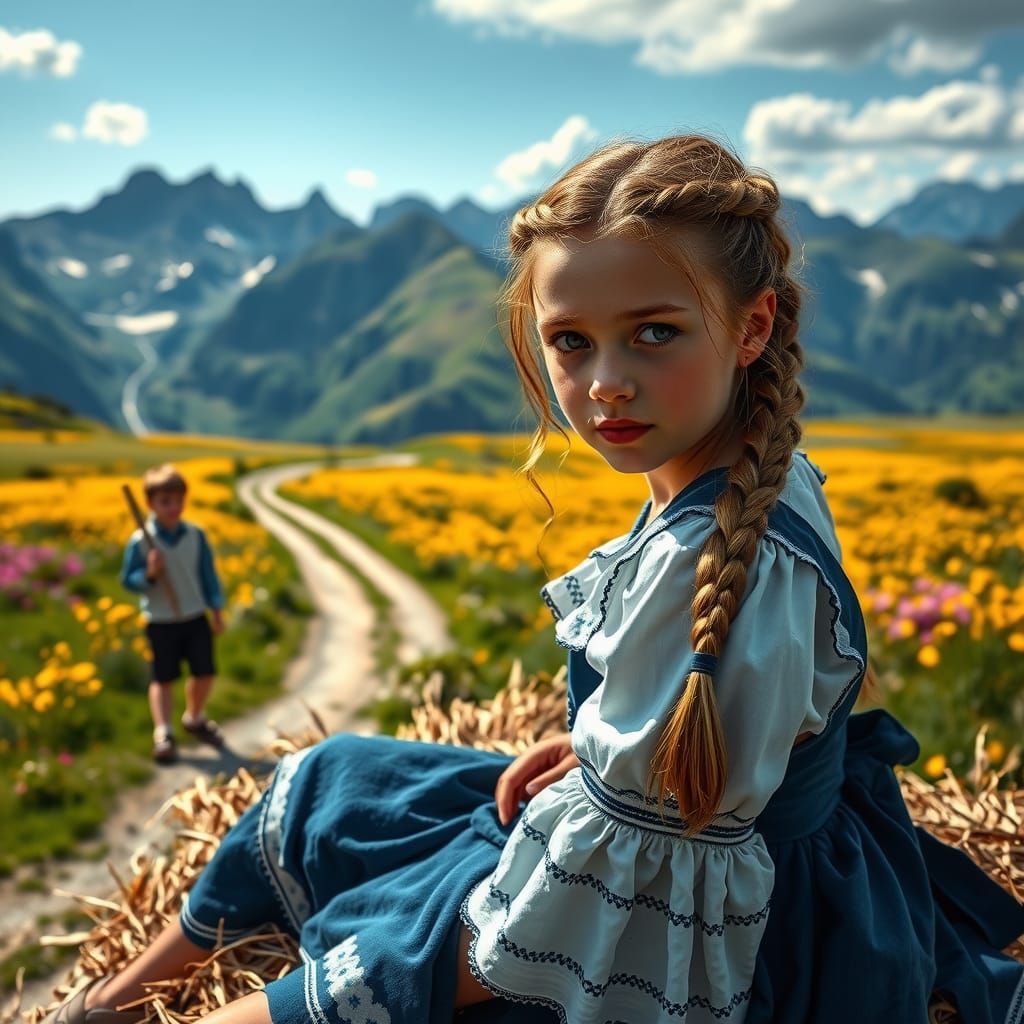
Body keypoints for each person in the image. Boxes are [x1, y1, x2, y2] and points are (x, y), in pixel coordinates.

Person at [55, 135, 1024, 1024]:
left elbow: (588, 918)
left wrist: (364, 988)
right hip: (713, 843)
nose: (605, 381)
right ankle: (130, 989)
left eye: (652, 333)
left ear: (751, 326)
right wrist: (602, 749)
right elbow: (730, 724)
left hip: (735, 942)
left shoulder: (722, 564)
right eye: (571, 340)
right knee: (338, 778)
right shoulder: (759, 468)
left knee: (370, 961)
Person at [120, 463, 227, 764]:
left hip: (195, 615)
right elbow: (128, 580)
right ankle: (163, 732)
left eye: (179, 500)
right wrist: (150, 574)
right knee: (163, 677)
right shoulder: (141, 542)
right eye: (166, 501)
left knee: (204, 672)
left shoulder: (196, 535)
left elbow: (208, 575)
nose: (174, 507)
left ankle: (194, 717)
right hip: (160, 620)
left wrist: (216, 609)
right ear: (150, 504)